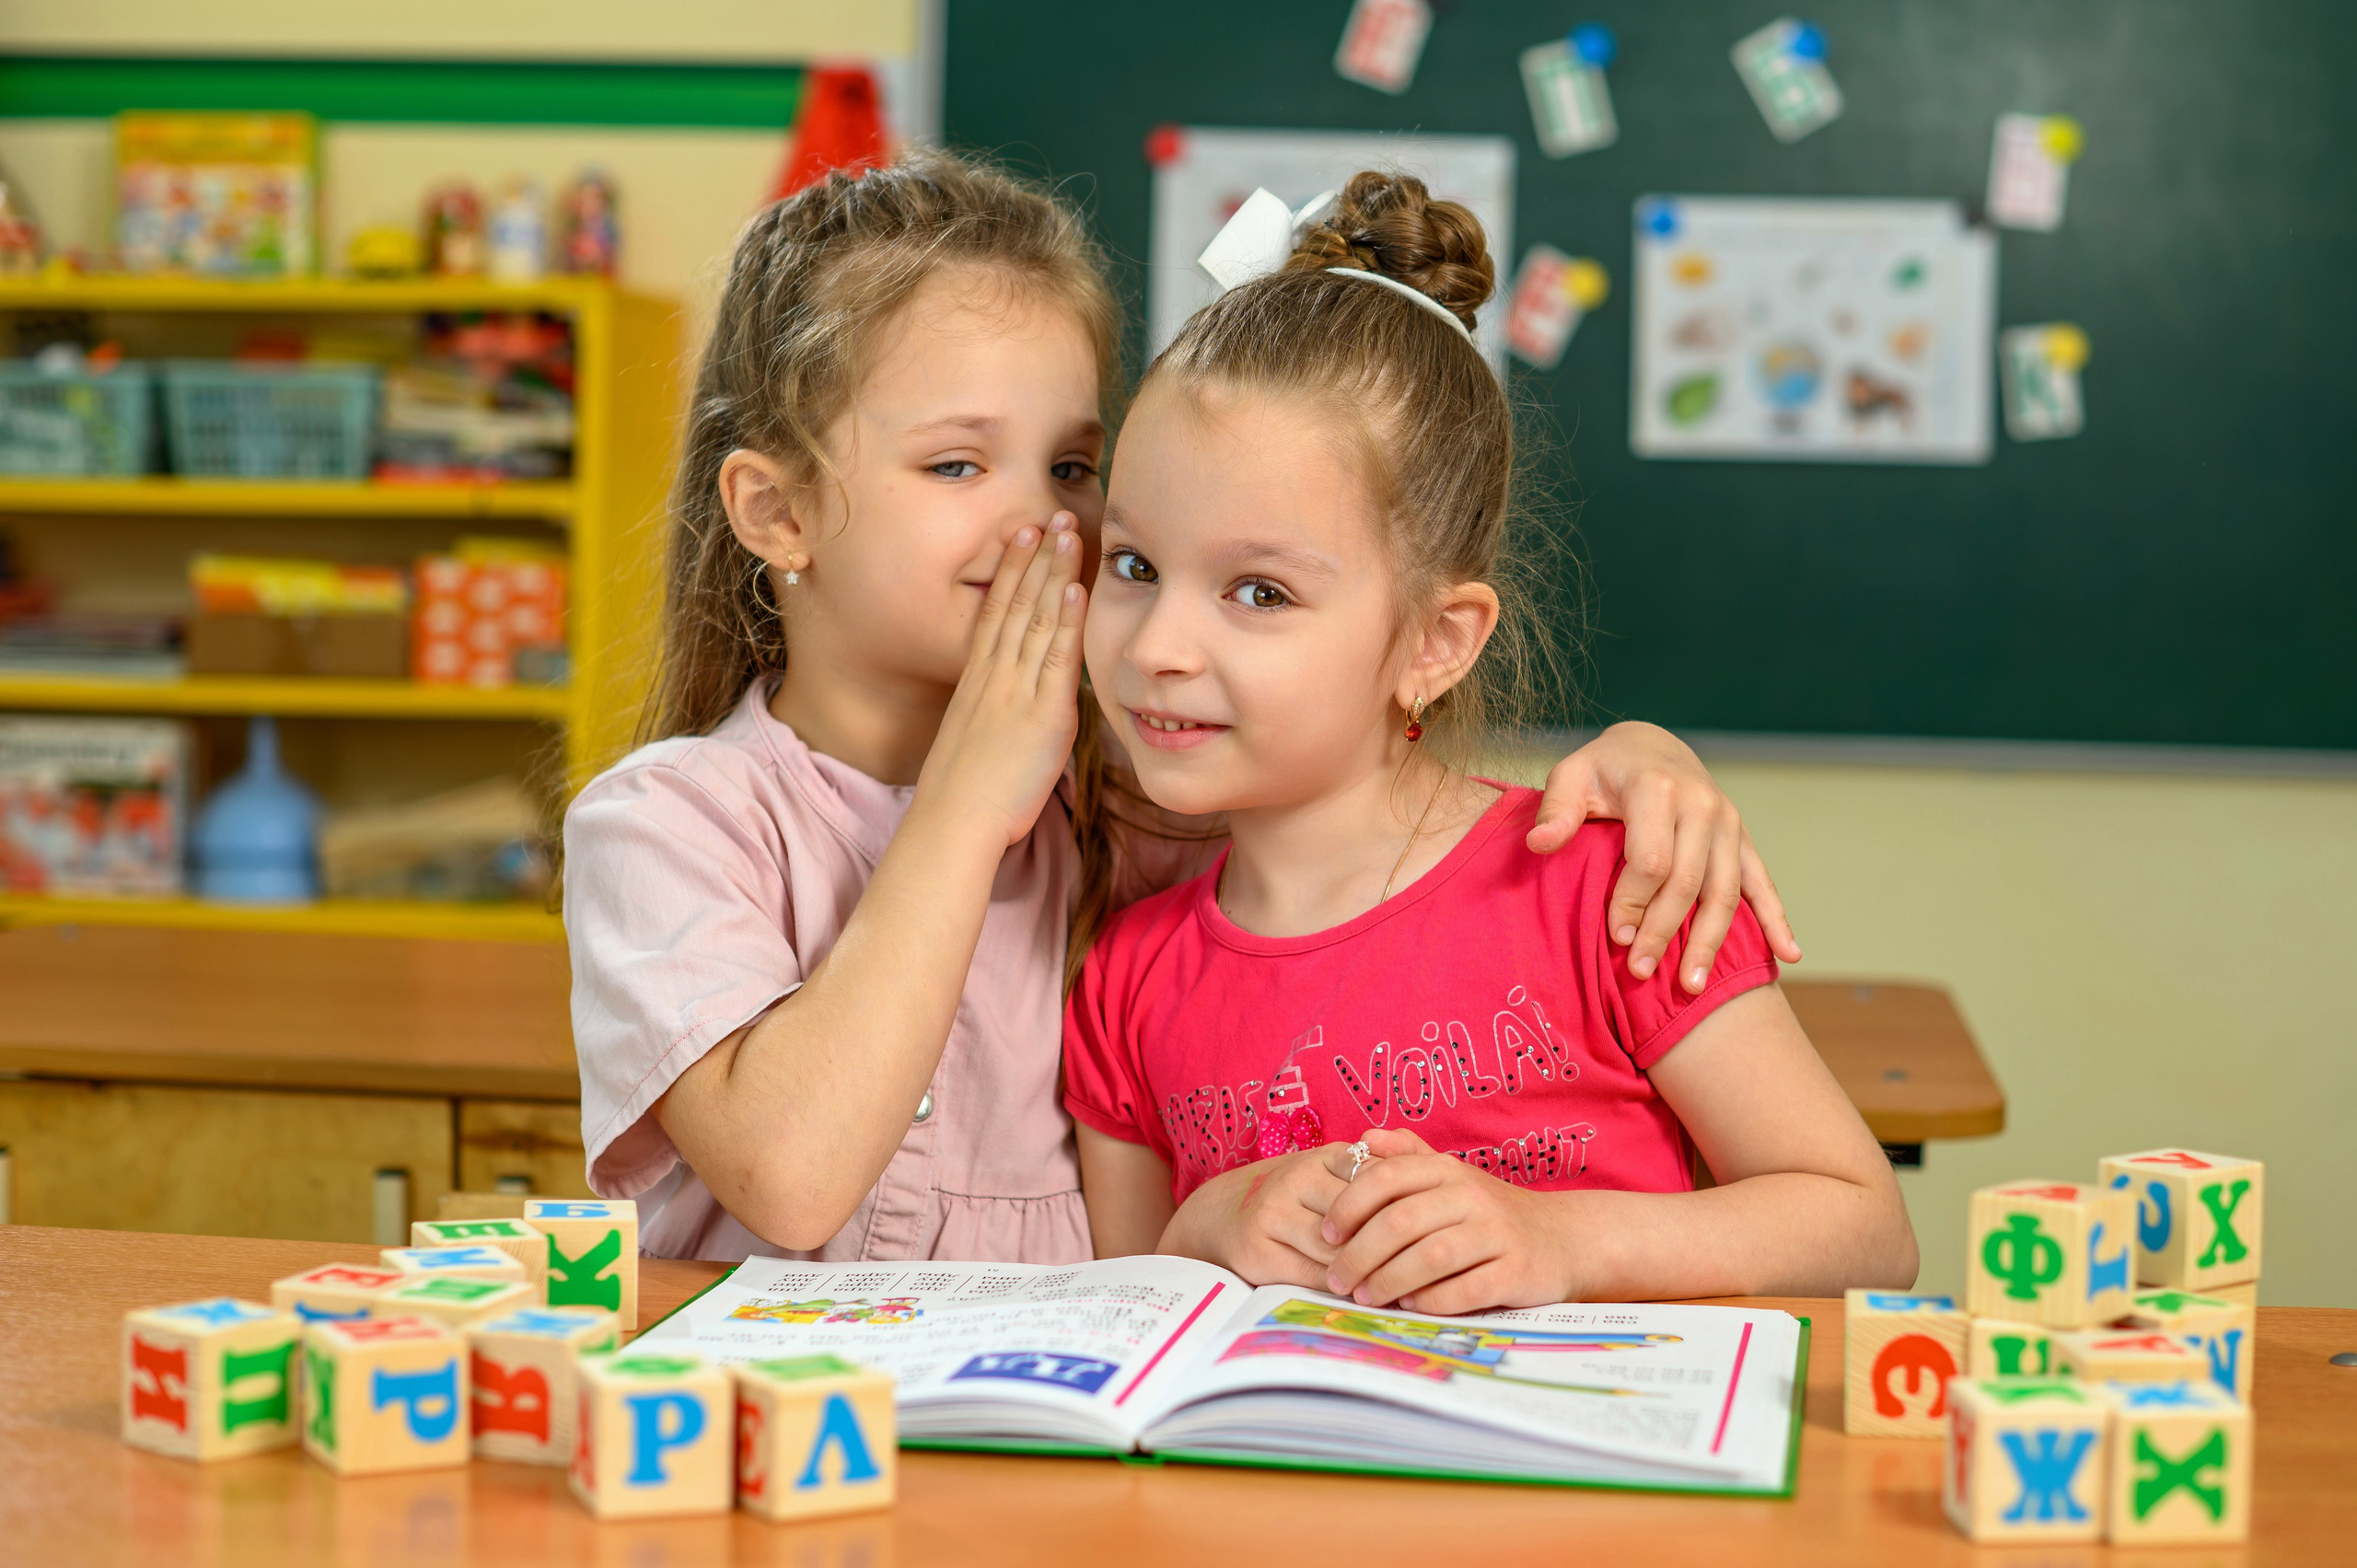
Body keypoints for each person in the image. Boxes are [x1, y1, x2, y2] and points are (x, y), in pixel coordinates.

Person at [563, 151, 1799, 1266]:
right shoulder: (665, 825)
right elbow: (791, 1177)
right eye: (956, 463)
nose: (1043, 522)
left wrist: (1646, 753)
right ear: (776, 512)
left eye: (1072, 466)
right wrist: (966, 801)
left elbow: (1369, 778)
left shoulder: (1150, 797)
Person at [1065, 172, 1915, 1308]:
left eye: (1259, 591)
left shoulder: (1608, 888)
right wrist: (1200, 1226)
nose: (1157, 645)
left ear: (1434, 641)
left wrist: (1559, 1239)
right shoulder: (1124, 979)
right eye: (1132, 565)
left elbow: (1864, 1226)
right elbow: (1122, 1317)